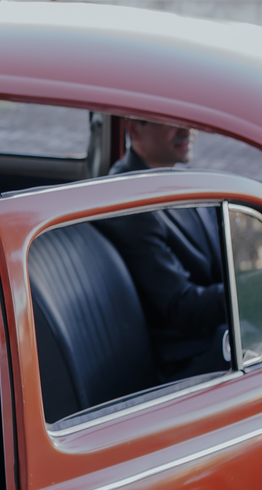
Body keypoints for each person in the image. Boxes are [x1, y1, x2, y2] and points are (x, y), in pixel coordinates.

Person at [95, 120, 229, 379]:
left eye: (190, 118)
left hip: (216, 331)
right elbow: (180, 307)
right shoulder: (128, 204)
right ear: (134, 129)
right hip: (188, 357)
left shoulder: (180, 174)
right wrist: (252, 289)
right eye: (172, 120)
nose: (187, 129)